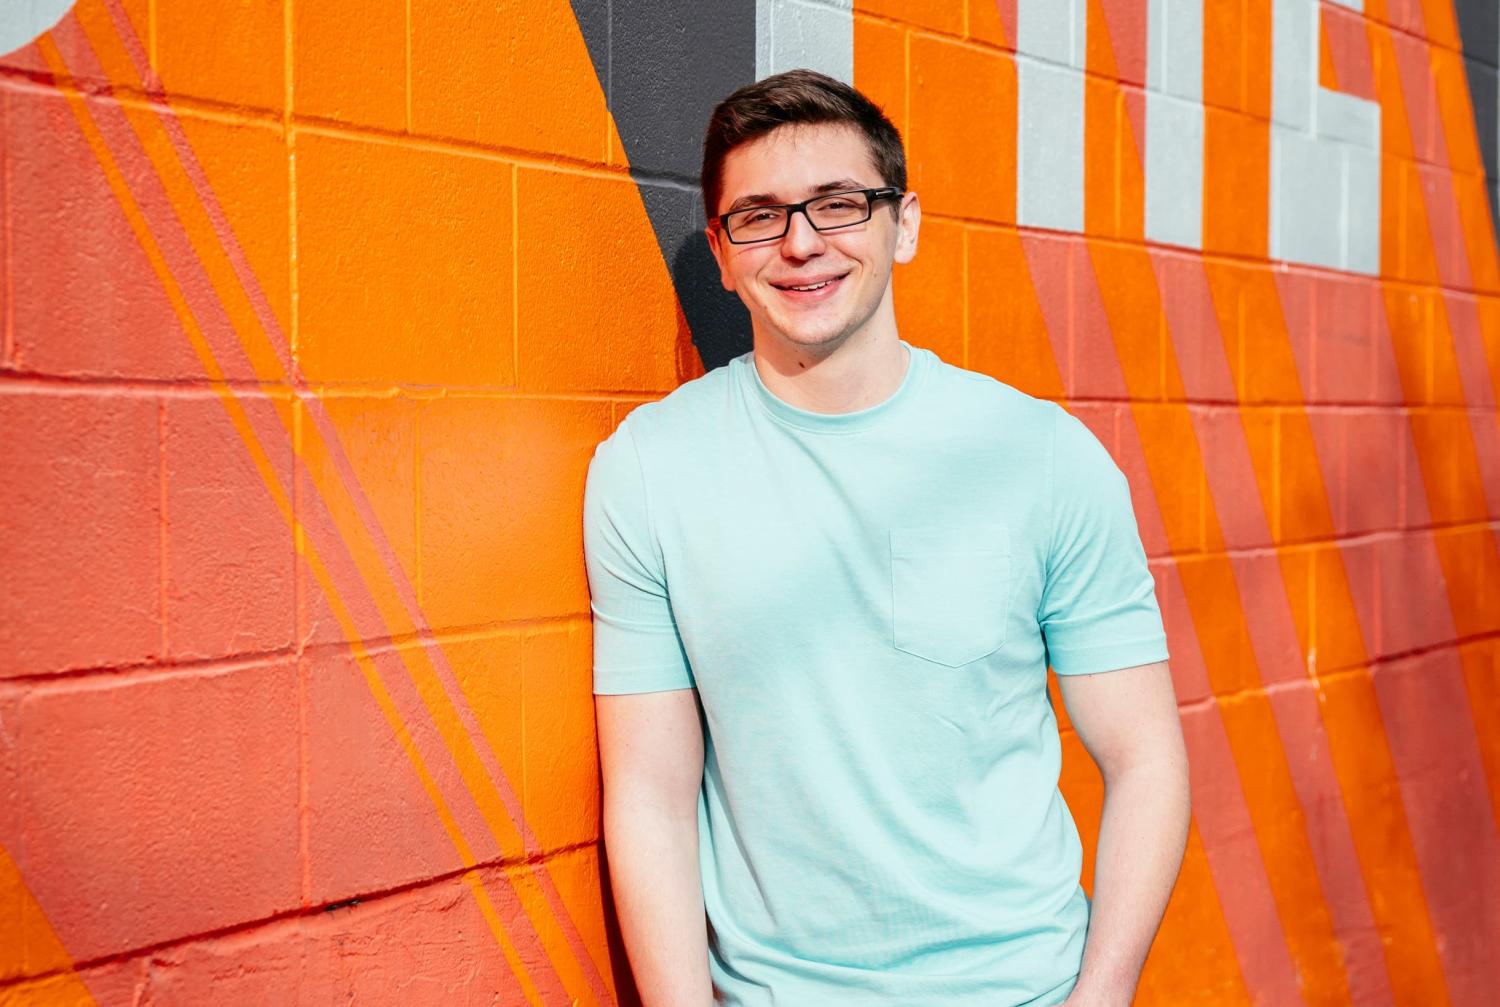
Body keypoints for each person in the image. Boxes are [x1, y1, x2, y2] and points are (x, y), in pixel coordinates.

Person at [582, 68, 1191, 1007]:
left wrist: (1100, 995)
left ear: (902, 225)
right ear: (720, 250)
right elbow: (650, 794)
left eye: (838, 205)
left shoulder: (1042, 459)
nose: (800, 245)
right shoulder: (648, 472)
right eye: (760, 216)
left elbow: (1144, 755)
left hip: (1021, 988)